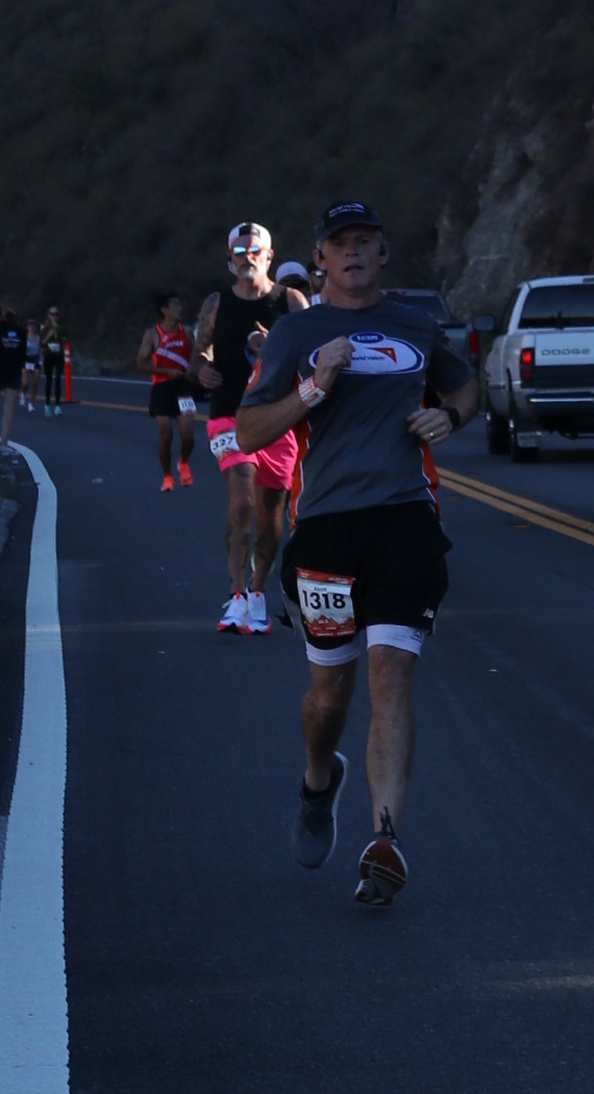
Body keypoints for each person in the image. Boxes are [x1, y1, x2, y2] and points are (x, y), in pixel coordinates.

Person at [234, 198, 479, 906]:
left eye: (364, 241)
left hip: (405, 521)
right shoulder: (296, 332)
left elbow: (466, 383)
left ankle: (384, 841)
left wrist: (450, 414)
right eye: (339, 243)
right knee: (328, 693)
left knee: (391, 674)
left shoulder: (415, 325)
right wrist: (314, 387)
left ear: (383, 252)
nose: (352, 252)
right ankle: (319, 781)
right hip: (325, 529)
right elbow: (249, 431)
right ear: (320, 259)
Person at [197, 221, 307, 633]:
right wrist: (202, 369)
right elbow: (199, 351)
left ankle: (258, 592)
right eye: (239, 252)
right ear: (229, 259)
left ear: (269, 256)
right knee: (242, 500)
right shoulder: (216, 304)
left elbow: (312, 356)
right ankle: (236, 594)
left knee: (270, 511)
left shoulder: (291, 302)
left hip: (279, 418)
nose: (247, 258)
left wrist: (273, 346)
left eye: (254, 251)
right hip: (229, 414)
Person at [144, 290, 199, 487]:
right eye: (175, 305)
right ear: (164, 309)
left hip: (183, 387)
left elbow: (198, 355)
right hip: (161, 388)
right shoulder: (153, 334)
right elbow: (141, 363)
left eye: (180, 304)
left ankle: (183, 462)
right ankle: (167, 476)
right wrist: (166, 371)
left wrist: (194, 369)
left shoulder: (187, 331)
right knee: (166, 434)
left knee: (188, 436)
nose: (180, 308)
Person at [0, 299, 27, 441]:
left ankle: (3, 441)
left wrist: (22, 372)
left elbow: (22, 354)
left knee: (8, 409)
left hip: (12, 374)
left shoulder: (21, 331)